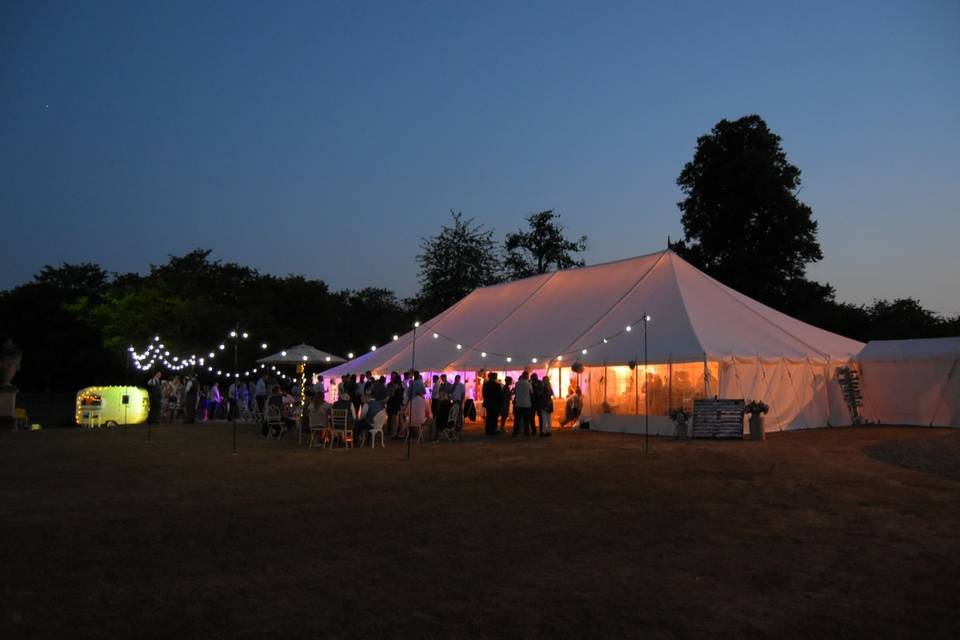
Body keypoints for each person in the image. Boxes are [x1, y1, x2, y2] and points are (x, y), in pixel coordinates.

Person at [481, 372, 502, 436]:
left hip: (488, 403)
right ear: (495, 377)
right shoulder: (497, 385)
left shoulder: (486, 385)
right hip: (495, 403)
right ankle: (493, 430)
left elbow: (484, 394)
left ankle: (488, 430)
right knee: (494, 417)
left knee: (489, 417)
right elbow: (500, 395)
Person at [513, 372, 533, 436]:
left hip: (518, 404)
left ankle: (516, 432)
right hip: (527, 404)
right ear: (527, 376)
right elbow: (532, 392)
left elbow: (515, 392)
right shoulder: (528, 384)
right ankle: (526, 432)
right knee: (526, 420)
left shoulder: (517, 383)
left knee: (517, 419)